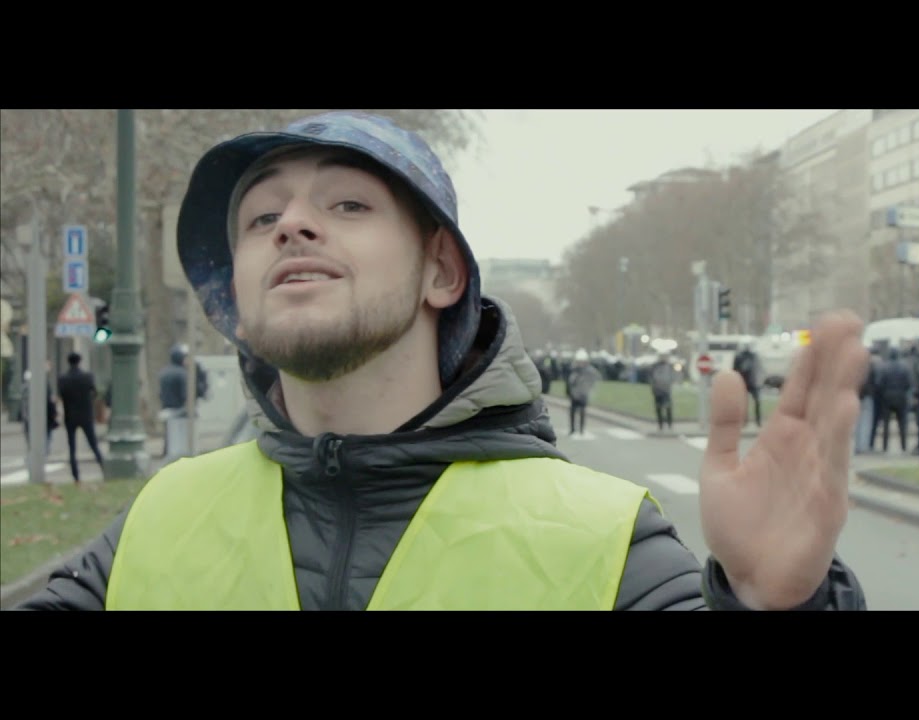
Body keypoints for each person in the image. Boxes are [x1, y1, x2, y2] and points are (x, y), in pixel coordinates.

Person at [16, 111, 869, 611]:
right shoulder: (157, 521)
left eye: (347, 203)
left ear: (441, 270)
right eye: (259, 218)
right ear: (237, 292)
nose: (291, 226)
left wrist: (780, 607)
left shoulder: (607, 544)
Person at [56, 352, 105, 483]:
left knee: (72, 447)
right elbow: (95, 392)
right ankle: (103, 468)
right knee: (93, 444)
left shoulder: (63, 379)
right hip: (86, 415)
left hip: (70, 415)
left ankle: (75, 475)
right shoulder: (87, 377)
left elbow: (61, 395)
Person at [878, 346, 913, 454]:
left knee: (886, 424)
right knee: (902, 424)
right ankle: (903, 446)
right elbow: (909, 383)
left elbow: (880, 383)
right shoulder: (904, 367)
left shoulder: (884, 367)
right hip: (901, 397)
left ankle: (884, 447)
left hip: (887, 397)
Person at [567, 349, 600, 436]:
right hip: (574, 394)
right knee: (572, 411)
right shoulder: (574, 370)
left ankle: (581, 429)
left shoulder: (590, 371)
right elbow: (570, 382)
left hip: (583, 394)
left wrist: (588, 390)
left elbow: (594, 380)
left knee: (582, 411)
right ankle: (572, 429)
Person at [732, 341, 762, 427]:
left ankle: (757, 421)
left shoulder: (753, 356)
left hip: (753, 383)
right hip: (743, 383)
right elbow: (735, 370)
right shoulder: (739, 357)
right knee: (744, 403)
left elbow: (757, 368)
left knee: (757, 401)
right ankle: (745, 421)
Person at [649, 351, 676, 432]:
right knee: (659, 408)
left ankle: (669, 424)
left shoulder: (669, 366)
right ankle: (660, 425)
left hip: (666, 390)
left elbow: (672, 377)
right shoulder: (655, 366)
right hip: (658, 391)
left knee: (668, 408)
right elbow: (652, 378)